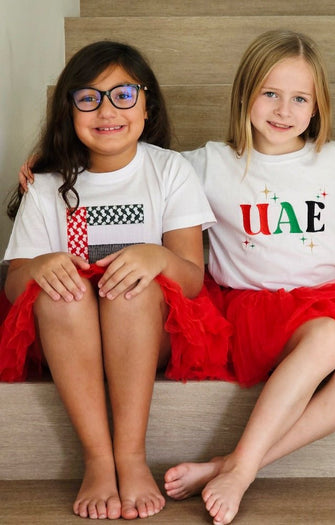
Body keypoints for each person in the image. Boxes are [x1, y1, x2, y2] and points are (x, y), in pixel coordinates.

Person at [14, 32, 335, 525]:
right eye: (270, 94)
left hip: (329, 303)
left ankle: (235, 463)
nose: (284, 110)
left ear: (317, 106)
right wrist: (55, 157)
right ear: (244, 95)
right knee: (329, 339)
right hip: (250, 309)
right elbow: (129, 159)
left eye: (300, 98)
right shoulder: (208, 164)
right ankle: (238, 471)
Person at [0, 41, 223, 520]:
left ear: (147, 106)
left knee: (127, 291)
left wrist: (157, 256)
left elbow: (191, 279)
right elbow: (14, 286)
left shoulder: (169, 170)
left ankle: (131, 456)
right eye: (88, 98)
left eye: (123, 95)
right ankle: (98, 460)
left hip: (148, 331)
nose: (106, 110)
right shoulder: (46, 185)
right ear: (69, 110)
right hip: (69, 333)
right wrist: (37, 267)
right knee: (60, 293)